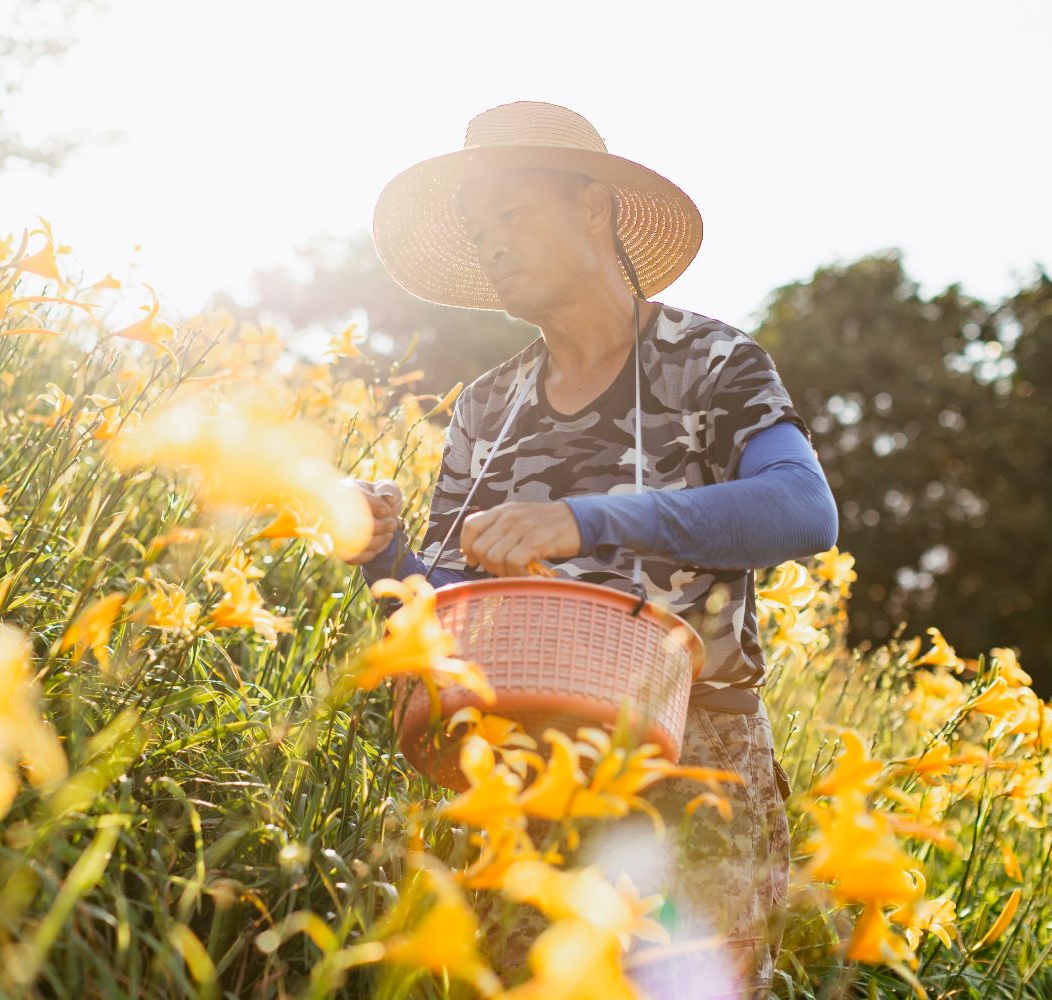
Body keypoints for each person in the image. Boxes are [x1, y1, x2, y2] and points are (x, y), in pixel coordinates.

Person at [344, 100, 839, 999]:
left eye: (512, 215)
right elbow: (449, 606)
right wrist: (386, 556)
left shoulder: (715, 363)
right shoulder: (485, 408)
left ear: (595, 211)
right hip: (526, 779)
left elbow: (803, 510)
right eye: (477, 227)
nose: (492, 244)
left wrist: (590, 517)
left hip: (701, 769)